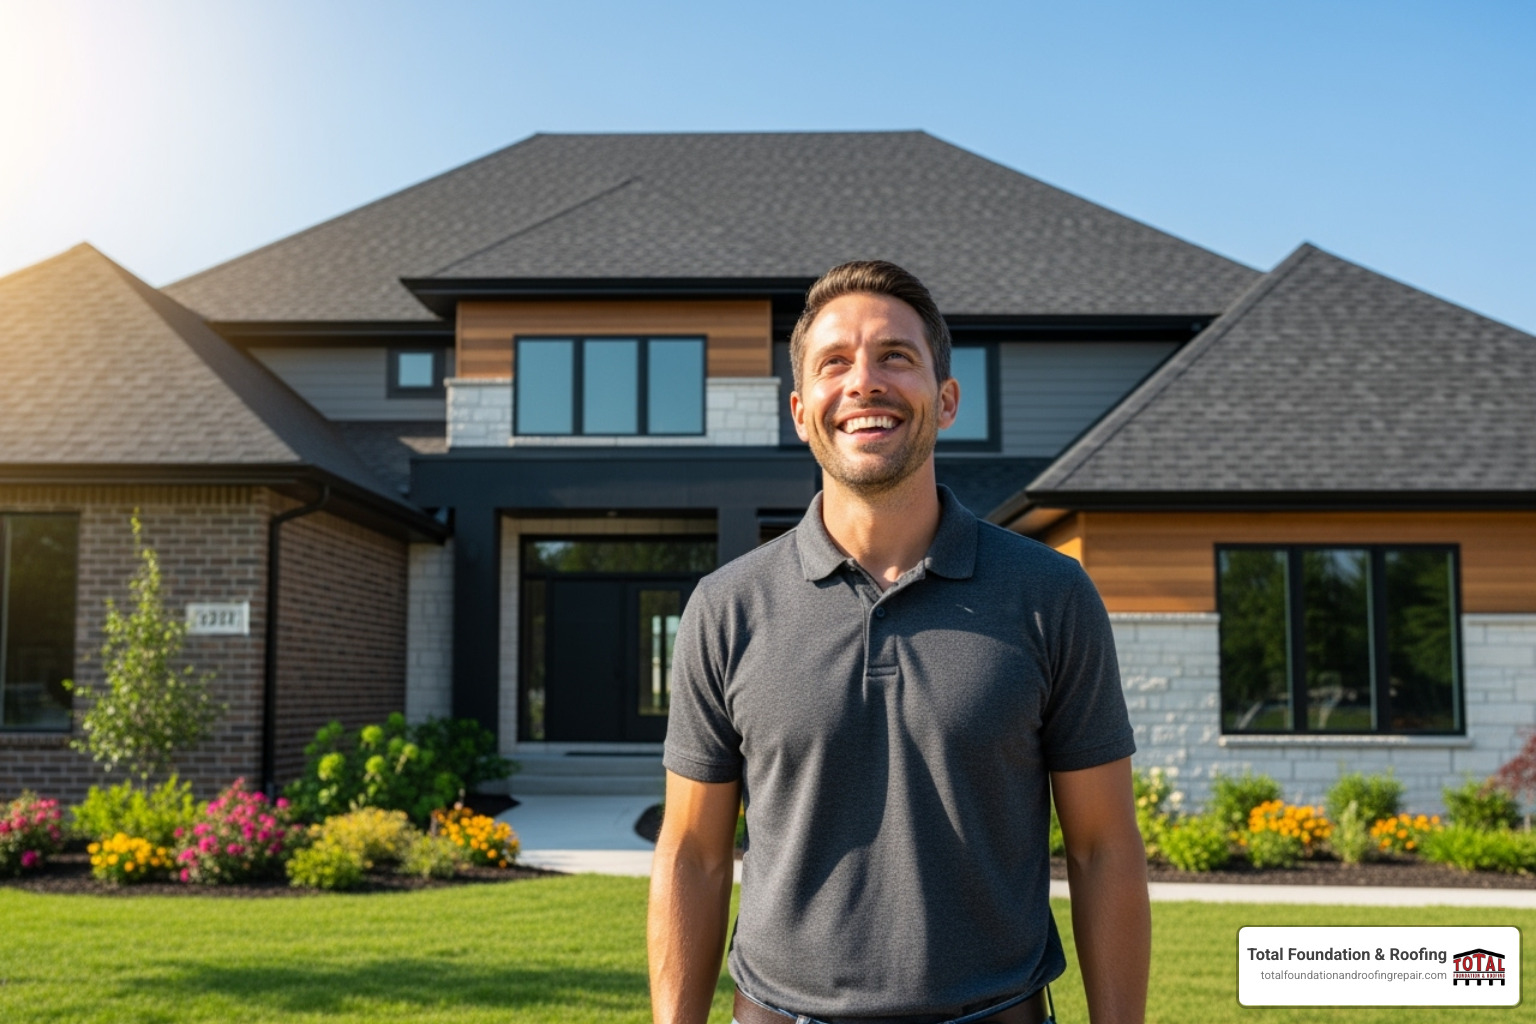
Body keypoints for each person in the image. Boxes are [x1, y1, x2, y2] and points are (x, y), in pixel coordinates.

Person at [648, 260, 1150, 1024]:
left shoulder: (1051, 595)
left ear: (946, 399)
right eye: (834, 363)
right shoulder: (726, 608)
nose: (864, 382)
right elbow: (692, 853)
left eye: (895, 356)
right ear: (799, 411)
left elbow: (1104, 847)